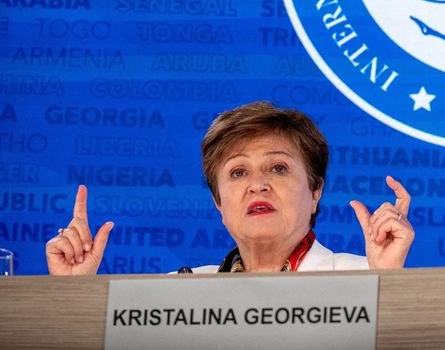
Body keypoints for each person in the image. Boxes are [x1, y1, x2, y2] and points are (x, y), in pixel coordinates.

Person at [46, 101, 415, 274]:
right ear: (219, 202)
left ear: (315, 190)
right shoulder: (174, 295)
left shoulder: (361, 276)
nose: (258, 185)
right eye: (238, 173)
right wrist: (72, 295)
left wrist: (385, 284)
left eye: (279, 167)